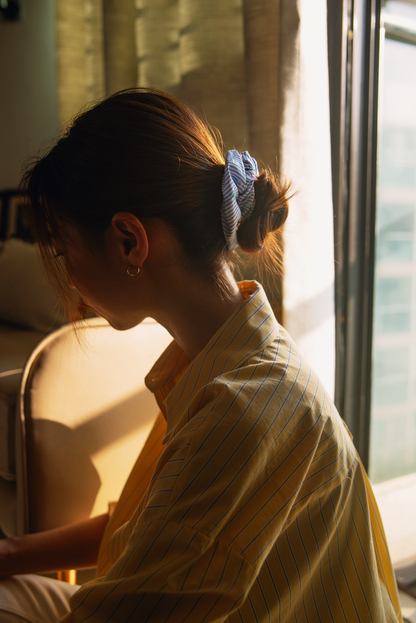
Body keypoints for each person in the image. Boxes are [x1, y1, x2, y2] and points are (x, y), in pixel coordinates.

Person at [0, 88, 402, 622]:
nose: (66, 276)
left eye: (62, 251)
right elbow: (146, 527)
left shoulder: (239, 408)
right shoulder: (221, 358)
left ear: (128, 241)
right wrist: (9, 555)